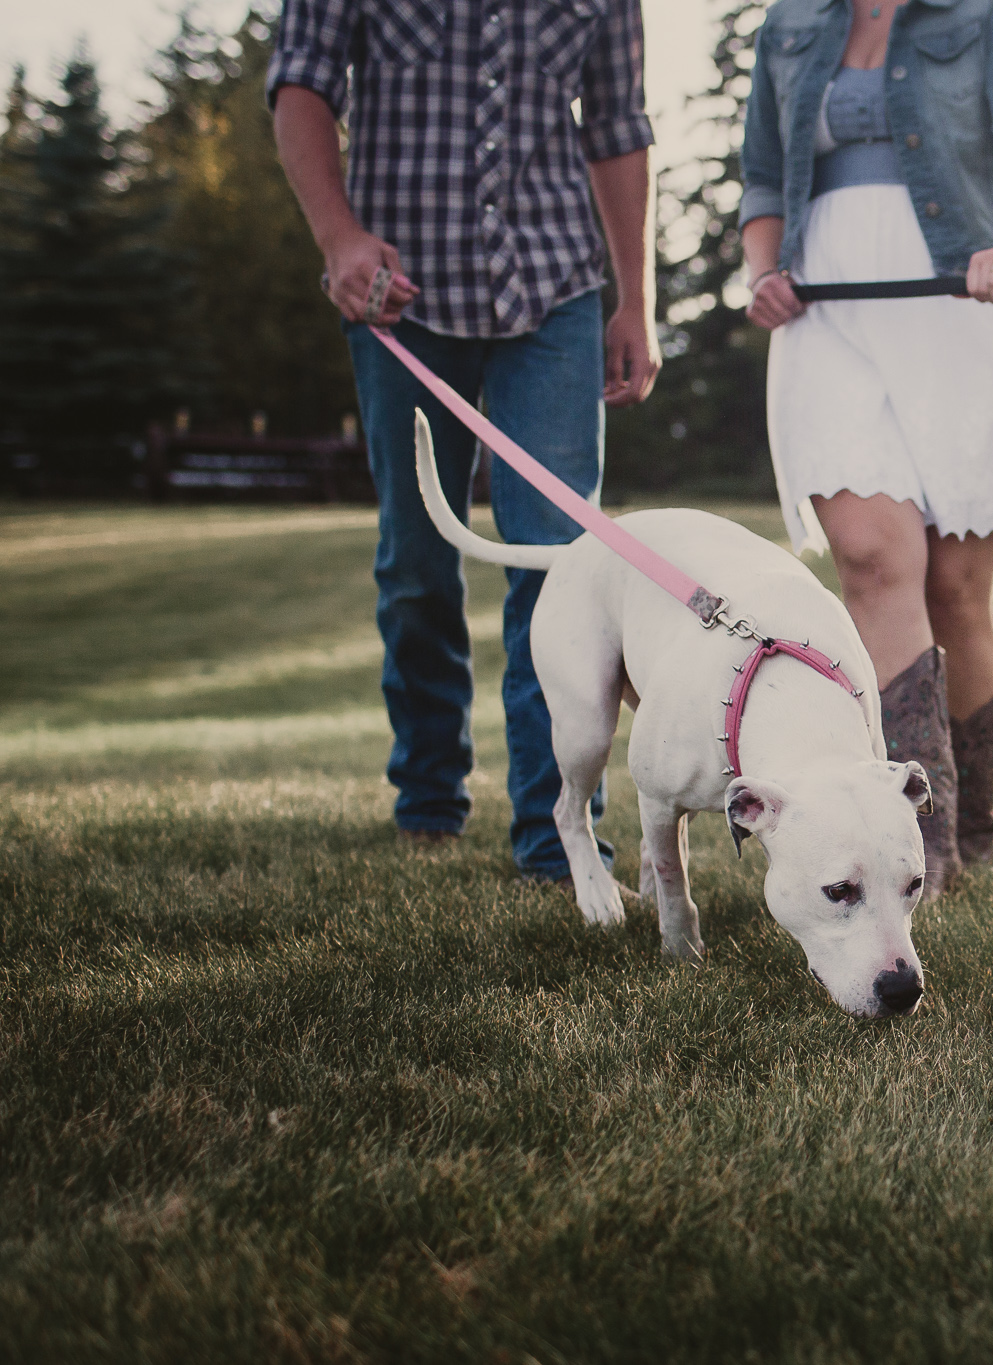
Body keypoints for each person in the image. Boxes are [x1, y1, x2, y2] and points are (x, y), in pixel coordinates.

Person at [739, 0, 993, 892]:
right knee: (874, 559)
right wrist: (761, 271)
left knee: (957, 590)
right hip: (831, 313)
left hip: (967, 306)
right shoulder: (790, 22)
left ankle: (975, 821)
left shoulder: (988, 12)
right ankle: (925, 844)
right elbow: (763, 175)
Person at [267, 0, 659, 885]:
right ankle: (430, 796)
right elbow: (300, 83)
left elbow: (619, 124)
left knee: (561, 563)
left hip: (555, 289)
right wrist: (337, 238)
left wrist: (636, 295)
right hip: (399, 294)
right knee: (416, 562)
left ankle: (555, 838)